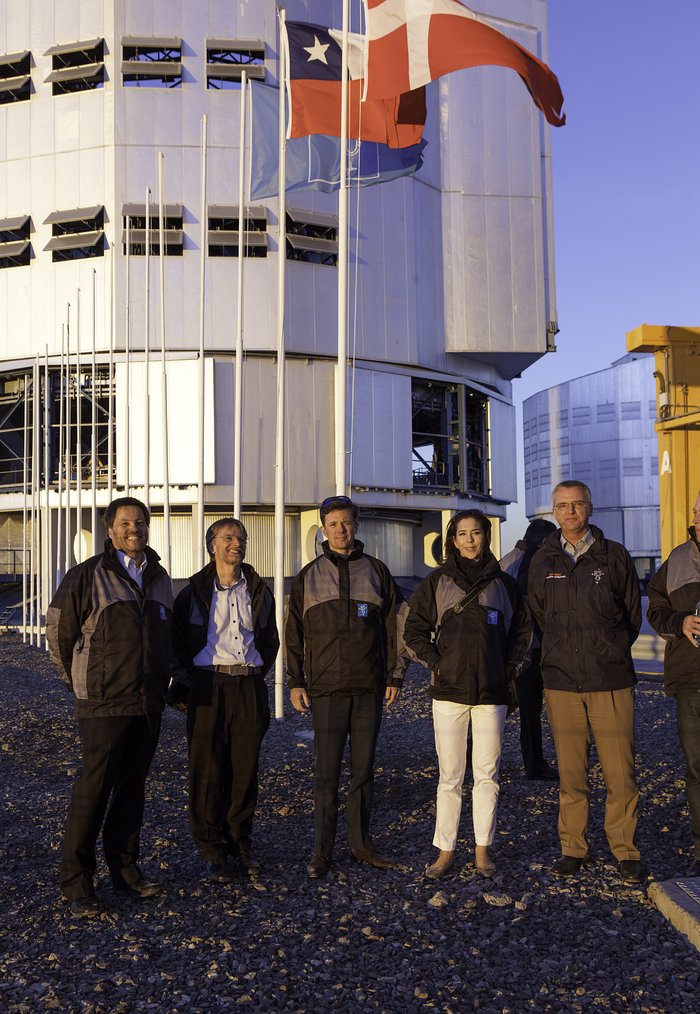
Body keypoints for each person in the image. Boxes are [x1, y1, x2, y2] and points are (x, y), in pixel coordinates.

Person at [46, 497, 174, 918]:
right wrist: (81, 685)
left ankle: (125, 869)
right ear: (110, 530)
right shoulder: (87, 575)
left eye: (139, 521)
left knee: (132, 791)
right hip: (103, 703)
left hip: (145, 702)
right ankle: (77, 882)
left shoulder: (158, 577)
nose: (133, 528)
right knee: (93, 792)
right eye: (125, 523)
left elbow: (164, 637)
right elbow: (58, 635)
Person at [404, 509, 531, 879]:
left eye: (476, 533)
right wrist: (436, 663)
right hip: (448, 692)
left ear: (486, 537)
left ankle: (482, 850)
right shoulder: (437, 582)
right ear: (452, 539)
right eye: (462, 534)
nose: (470, 540)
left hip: (492, 693)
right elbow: (413, 631)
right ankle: (444, 851)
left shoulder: (504, 585)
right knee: (450, 776)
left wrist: (507, 671)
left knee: (487, 774)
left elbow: (522, 634)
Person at [528, 480, 643, 884]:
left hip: (609, 680)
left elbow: (631, 617)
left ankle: (625, 850)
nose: (570, 512)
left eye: (577, 504)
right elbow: (540, 617)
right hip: (562, 682)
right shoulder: (543, 560)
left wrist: (607, 650)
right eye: (562, 506)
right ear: (553, 512)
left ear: (590, 508)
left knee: (620, 774)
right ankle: (573, 847)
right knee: (571, 775)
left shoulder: (614, 556)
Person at [285, 495, 405, 879]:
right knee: (326, 775)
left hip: (369, 687)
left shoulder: (376, 571)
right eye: (333, 523)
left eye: (347, 522)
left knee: (363, 771)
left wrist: (395, 675)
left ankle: (361, 845)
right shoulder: (308, 575)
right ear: (323, 528)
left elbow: (395, 627)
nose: (341, 529)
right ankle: (322, 851)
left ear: (357, 525)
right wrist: (295, 681)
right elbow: (293, 634)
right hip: (326, 689)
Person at [169, 518, 279, 882]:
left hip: (248, 686)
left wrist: (254, 674)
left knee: (245, 771)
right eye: (229, 537)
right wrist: (190, 683)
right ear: (212, 545)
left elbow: (269, 640)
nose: (237, 543)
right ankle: (211, 846)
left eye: (241, 538)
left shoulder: (260, 591)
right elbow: (177, 644)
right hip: (208, 686)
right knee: (207, 769)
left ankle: (239, 840)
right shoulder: (193, 592)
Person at [647, 490, 700, 877]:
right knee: (698, 767)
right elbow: (656, 610)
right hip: (692, 680)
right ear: (694, 516)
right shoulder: (677, 561)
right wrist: (679, 622)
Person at [500, 519, 558, 780]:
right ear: (543, 540)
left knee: (507, 705)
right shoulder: (534, 561)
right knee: (530, 711)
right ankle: (535, 765)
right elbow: (534, 609)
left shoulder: (507, 560)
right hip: (530, 649)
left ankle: (469, 752)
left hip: (508, 647)